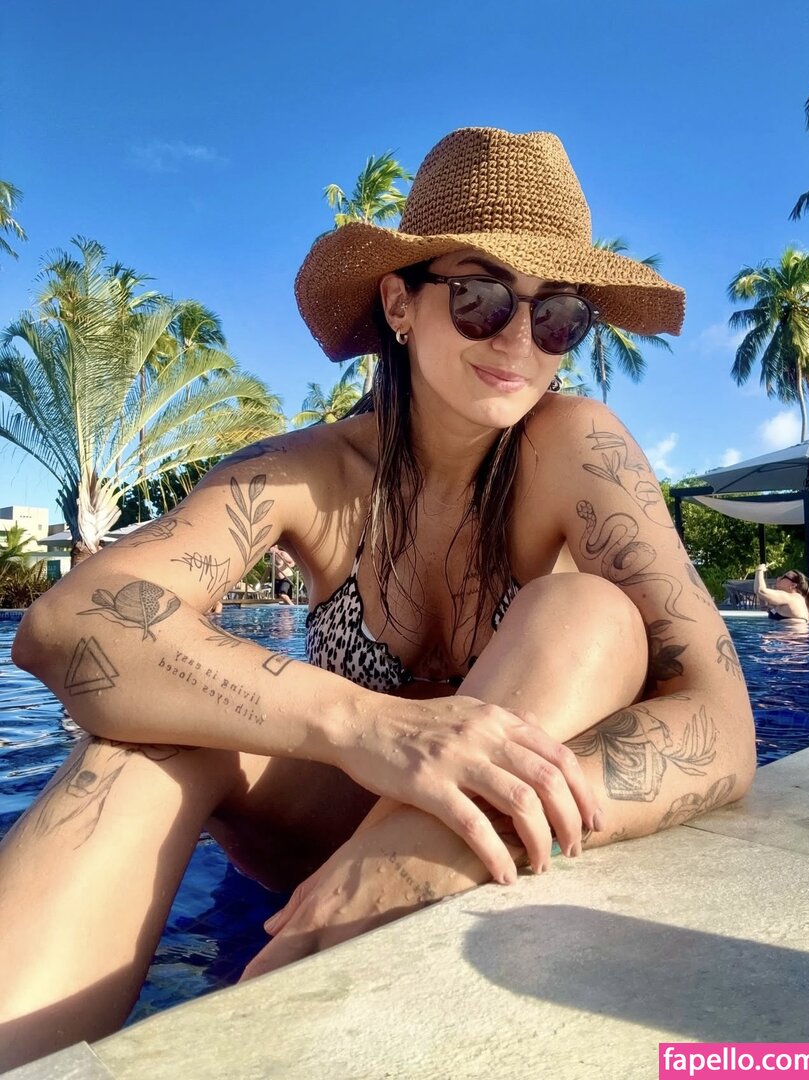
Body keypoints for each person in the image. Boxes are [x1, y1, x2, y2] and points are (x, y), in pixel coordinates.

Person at [1, 126, 755, 1067]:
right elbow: (66, 622)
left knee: (585, 613)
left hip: (468, 842)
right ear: (400, 302)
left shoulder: (576, 446)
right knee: (148, 739)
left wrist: (429, 842)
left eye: (559, 316)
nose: (519, 340)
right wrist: (370, 728)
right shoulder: (309, 473)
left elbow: (722, 723)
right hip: (314, 841)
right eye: (480, 297)